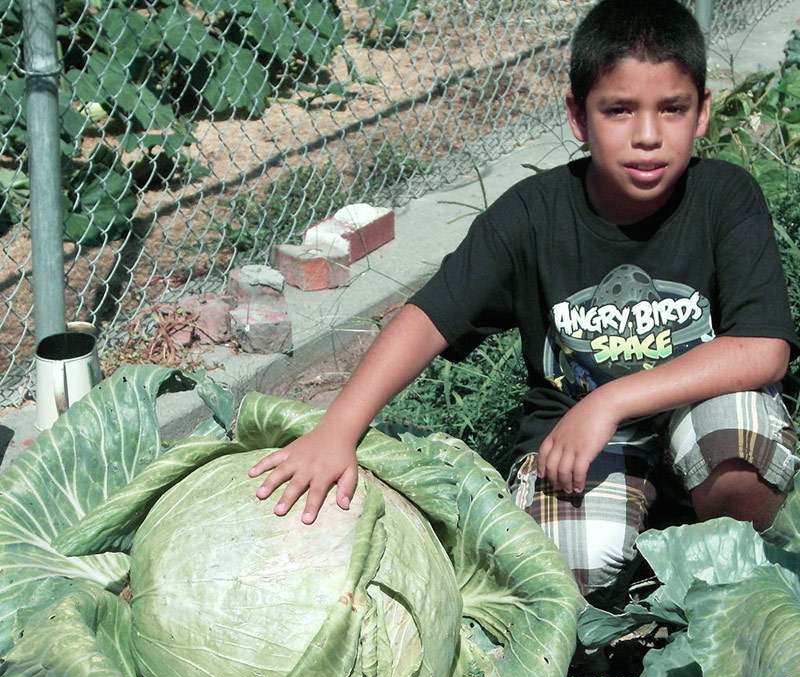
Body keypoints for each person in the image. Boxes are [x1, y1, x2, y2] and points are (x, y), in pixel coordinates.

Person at [250, 0, 800, 601]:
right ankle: (640, 576)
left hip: (691, 416)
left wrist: (612, 398)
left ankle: (733, 585)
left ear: (701, 114)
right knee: (572, 571)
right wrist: (338, 429)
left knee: (739, 440)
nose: (647, 135)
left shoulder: (724, 196)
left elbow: (762, 351)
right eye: (619, 110)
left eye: (672, 109)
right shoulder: (532, 215)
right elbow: (426, 318)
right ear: (578, 117)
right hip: (577, 441)